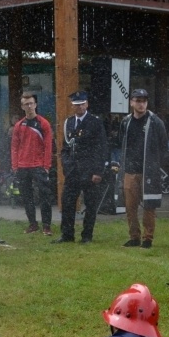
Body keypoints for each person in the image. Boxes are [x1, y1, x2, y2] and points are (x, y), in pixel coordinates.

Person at [54, 91, 108, 244]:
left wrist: (98, 171)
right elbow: (65, 148)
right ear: (72, 106)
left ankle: (87, 236)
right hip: (72, 170)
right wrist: (66, 165)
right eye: (76, 105)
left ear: (87, 104)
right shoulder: (69, 122)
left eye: (82, 104)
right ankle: (67, 234)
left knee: (90, 205)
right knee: (68, 203)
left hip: (90, 170)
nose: (79, 107)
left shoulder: (95, 122)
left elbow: (101, 147)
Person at [118, 88, 168, 249]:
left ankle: (148, 239)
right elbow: (121, 143)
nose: (141, 104)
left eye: (144, 101)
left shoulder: (155, 121)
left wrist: (156, 166)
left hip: (149, 171)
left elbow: (164, 147)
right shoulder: (126, 122)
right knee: (130, 207)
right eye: (138, 101)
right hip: (130, 171)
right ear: (131, 102)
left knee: (149, 206)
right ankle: (134, 237)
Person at [11, 92, 54, 236]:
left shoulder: (43, 124)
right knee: (26, 197)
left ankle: (46, 226)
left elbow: (48, 147)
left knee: (45, 196)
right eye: (26, 104)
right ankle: (33, 224)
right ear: (22, 106)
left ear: (35, 104)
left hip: (39, 166)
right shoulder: (18, 125)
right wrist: (15, 165)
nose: (29, 106)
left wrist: (46, 166)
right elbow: (15, 147)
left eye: (31, 103)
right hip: (23, 166)